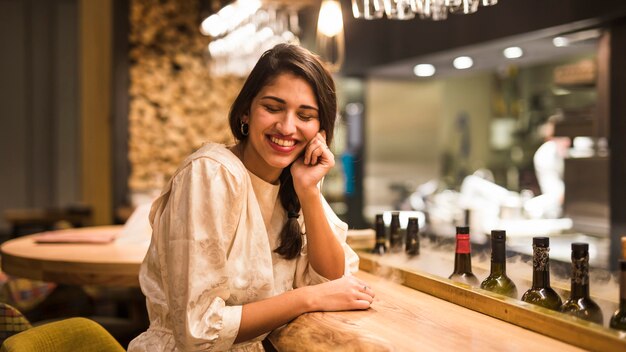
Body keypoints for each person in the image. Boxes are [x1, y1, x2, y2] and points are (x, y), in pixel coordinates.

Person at [128, 44, 374, 352]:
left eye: (305, 115)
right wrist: (305, 299)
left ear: (320, 131)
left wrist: (309, 191)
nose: (287, 127)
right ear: (246, 111)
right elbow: (198, 331)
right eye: (272, 108)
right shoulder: (211, 174)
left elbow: (332, 281)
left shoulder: (294, 180)